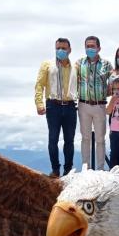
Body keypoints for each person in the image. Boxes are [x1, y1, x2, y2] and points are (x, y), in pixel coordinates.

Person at [34, 37, 78, 177]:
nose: (60, 51)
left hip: (70, 105)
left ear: (69, 50)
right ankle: (55, 170)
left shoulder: (75, 67)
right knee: (53, 139)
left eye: (64, 48)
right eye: (58, 48)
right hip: (53, 105)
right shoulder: (47, 64)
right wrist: (39, 103)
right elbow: (39, 84)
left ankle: (68, 170)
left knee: (69, 140)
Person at [76, 36, 113, 170]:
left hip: (100, 105)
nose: (90, 49)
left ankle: (100, 169)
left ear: (99, 48)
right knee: (85, 138)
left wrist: (107, 92)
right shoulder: (79, 63)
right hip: (83, 104)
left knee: (100, 139)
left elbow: (114, 81)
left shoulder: (107, 64)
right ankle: (85, 167)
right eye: (87, 46)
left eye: (92, 46)